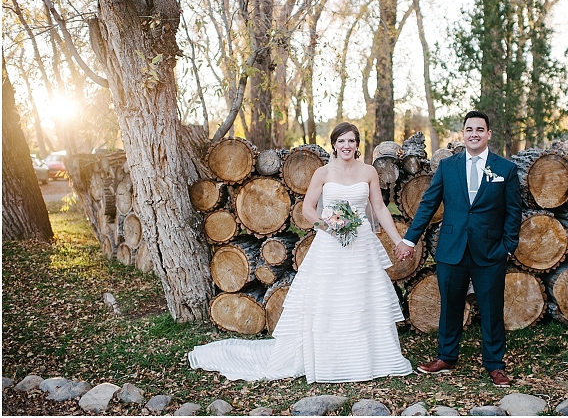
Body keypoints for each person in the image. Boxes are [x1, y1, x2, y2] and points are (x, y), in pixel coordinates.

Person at [189, 122, 413, 383]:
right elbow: (308, 209)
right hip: (330, 245)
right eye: (341, 141)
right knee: (329, 299)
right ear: (334, 145)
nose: (346, 146)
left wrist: (399, 240)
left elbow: (380, 209)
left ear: (357, 144)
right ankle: (329, 357)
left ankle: (365, 357)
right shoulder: (323, 173)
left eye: (351, 141)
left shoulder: (369, 172)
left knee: (361, 297)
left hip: (361, 244)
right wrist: (328, 226)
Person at [394, 110, 522, 387]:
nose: (474, 134)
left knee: (491, 309)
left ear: (488, 134)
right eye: (469, 129)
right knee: (450, 306)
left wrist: (508, 247)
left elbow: (514, 212)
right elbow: (429, 204)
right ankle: (446, 357)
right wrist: (409, 239)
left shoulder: (505, 169)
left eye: (479, 129)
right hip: (452, 249)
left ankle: (495, 365)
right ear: (463, 134)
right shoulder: (448, 167)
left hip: (490, 252)